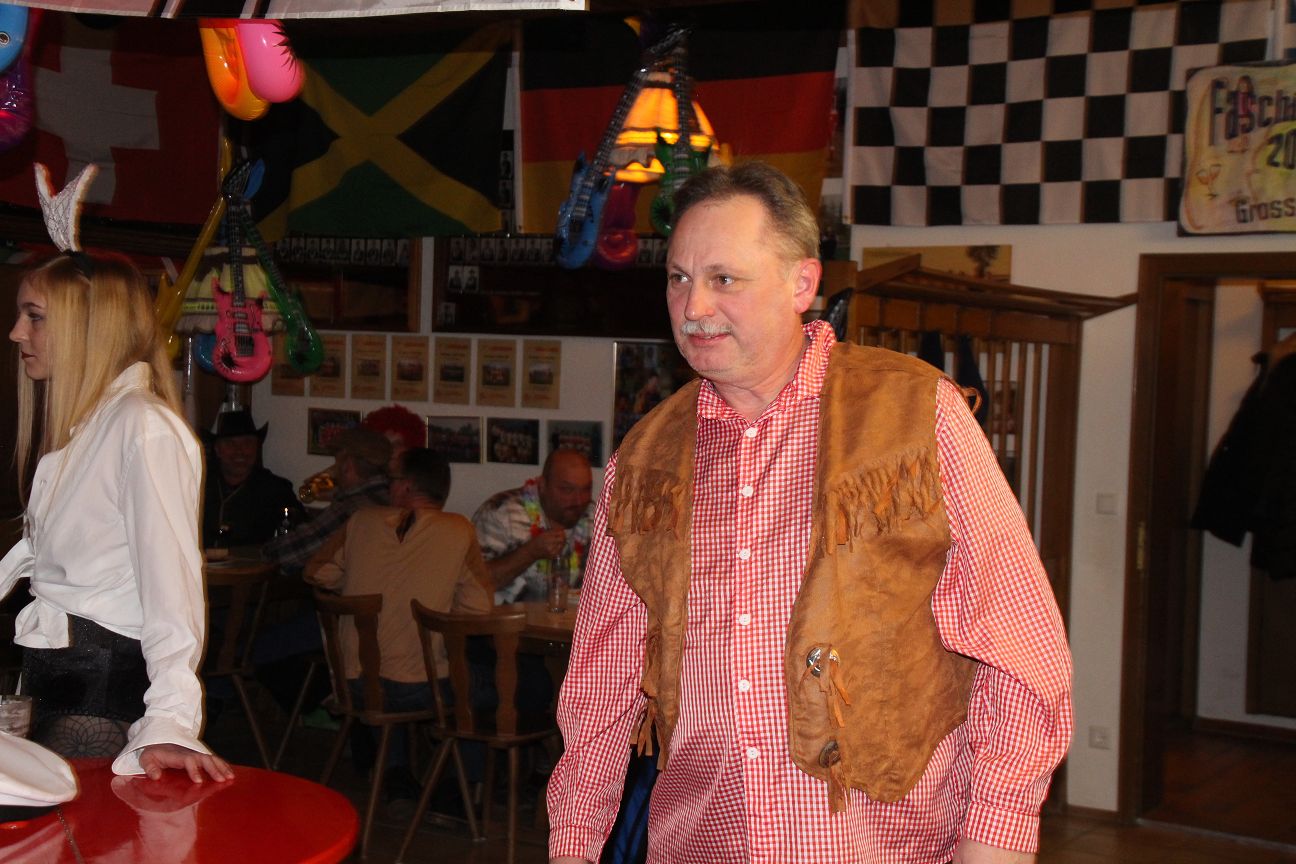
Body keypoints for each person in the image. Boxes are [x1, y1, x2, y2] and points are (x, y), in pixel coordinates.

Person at [547, 163, 1073, 864]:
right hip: (703, 843)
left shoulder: (916, 414)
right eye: (677, 278)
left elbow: (1021, 649)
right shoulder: (644, 460)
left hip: (884, 847)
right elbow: (601, 679)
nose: (693, 305)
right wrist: (574, 841)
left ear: (801, 283)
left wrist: (995, 838)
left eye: (723, 278)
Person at [1, 251, 233, 783]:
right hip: (61, 681)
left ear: (90, 325)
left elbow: (173, 589)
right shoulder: (91, 426)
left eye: (35, 316)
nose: (16, 333)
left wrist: (170, 720)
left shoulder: (142, 427)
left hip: (100, 694)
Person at [303, 448, 492, 808]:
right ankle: (455, 790)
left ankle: (398, 776)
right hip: (417, 691)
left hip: (351, 686)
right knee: (487, 684)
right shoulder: (459, 530)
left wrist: (362, 579)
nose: (387, 487)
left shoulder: (360, 521)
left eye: (391, 481)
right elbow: (480, 605)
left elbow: (316, 572)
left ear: (405, 486)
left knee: (389, 674)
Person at [262, 427, 392, 576]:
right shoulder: (395, 498)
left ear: (348, 466)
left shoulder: (349, 507)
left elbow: (291, 551)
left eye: (337, 462)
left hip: (353, 589)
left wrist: (264, 550)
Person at [472, 448, 594, 604]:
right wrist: (529, 553)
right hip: (503, 618)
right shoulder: (502, 513)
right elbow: (473, 582)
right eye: (567, 490)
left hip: (568, 618)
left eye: (586, 489)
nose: (579, 500)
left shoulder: (592, 515)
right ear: (542, 485)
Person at [201, 409, 303, 548]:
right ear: (217, 450)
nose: (239, 451)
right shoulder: (200, 484)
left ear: (257, 447)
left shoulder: (276, 490)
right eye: (230, 444)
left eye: (247, 443)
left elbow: (300, 535)